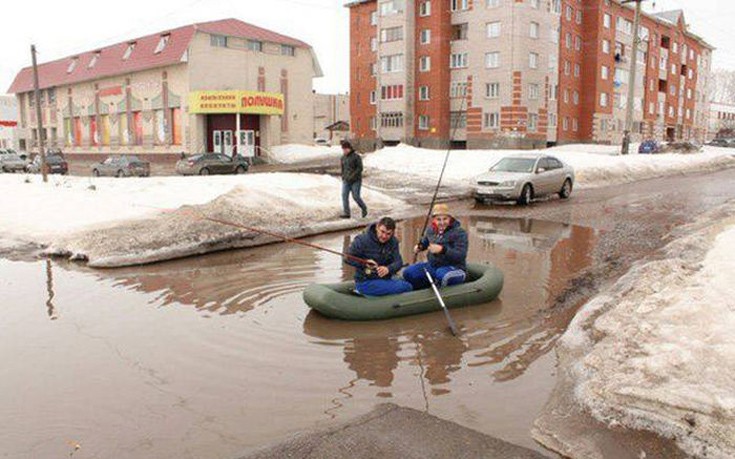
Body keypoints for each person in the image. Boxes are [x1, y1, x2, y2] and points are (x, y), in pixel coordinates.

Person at [403, 203, 468, 290]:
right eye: (438, 219)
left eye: (445, 219)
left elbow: (461, 255)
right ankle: (420, 292)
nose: (442, 222)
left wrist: (442, 250)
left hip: (454, 267)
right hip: (433, 265)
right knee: (408, 272)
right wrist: (420, 247)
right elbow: (425, 242)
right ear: (433, 220)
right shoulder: (431, 230)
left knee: (441, 275)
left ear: (450, 219)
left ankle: (443, 293)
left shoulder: (460, 233)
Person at [345, 217, 413, 296]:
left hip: (384, 279)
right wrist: (364, 264)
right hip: (366, 282)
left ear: (393, 233)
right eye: (382, 232)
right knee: (407, 287)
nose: (384, 236)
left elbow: (398, 262)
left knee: (405, 283)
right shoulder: (362, 240)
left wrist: (388, 269)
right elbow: (347, 258)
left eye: (388, 234)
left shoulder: (393, 242)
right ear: (377, 227)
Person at [340, 140, 368, 219]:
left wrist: (352, 176)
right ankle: (346, 213)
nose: (344, 151)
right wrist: (343, 176)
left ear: (349, 148)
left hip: (356, 180)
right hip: (346, 180)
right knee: (344, 195)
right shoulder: (342, 158)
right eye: (343, 149)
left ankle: (363, 208)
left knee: (356, 196)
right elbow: (343, 168)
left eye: (345, 149)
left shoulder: (356, 157)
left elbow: (360, 168)